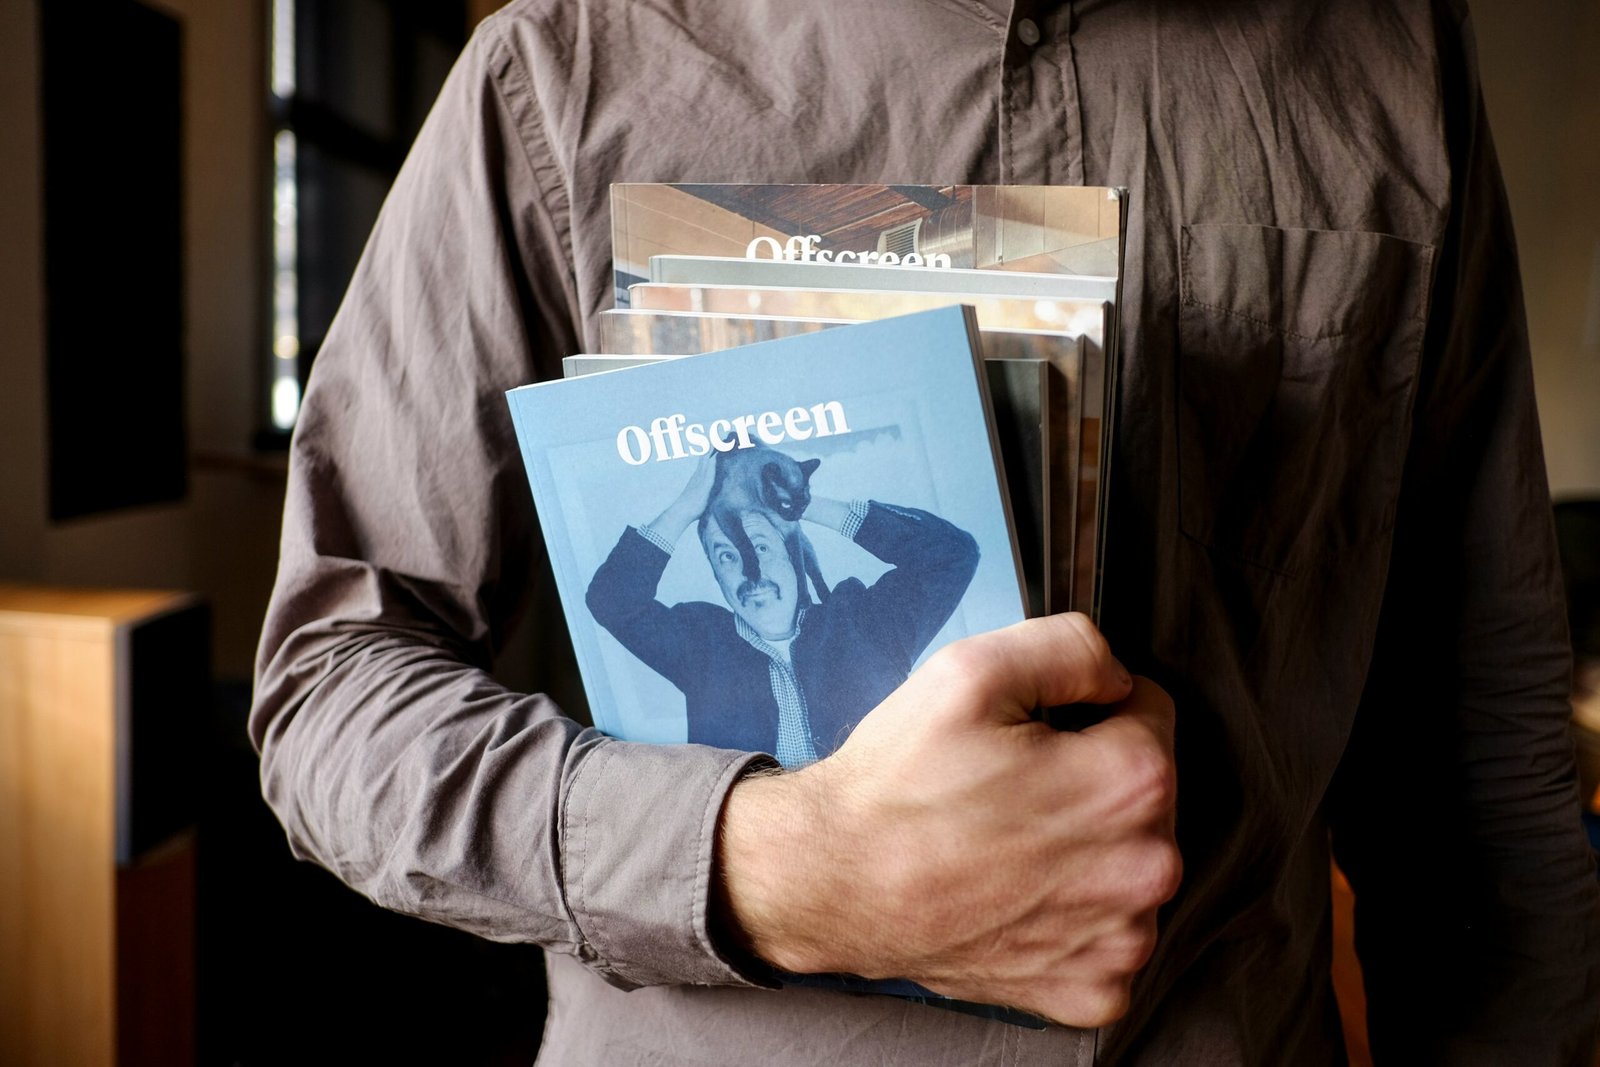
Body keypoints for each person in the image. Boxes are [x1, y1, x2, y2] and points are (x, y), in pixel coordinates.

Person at [249, 1, 1600, 1063]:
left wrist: (789, 499)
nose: (742, 569)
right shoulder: (554, 70)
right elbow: (332, 689)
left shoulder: (1395, 53)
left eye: (752, 555)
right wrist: (778, 862)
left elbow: (1480, 749)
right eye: (728, 563)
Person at [585, 451, 981, 764]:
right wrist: (685, 508)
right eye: (726, 556)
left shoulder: (865, 622)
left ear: (793, 553)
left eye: (760, 546)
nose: (749, 573)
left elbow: (952, 554)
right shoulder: (701, 646)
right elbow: (612, 601)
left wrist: (798, 503)